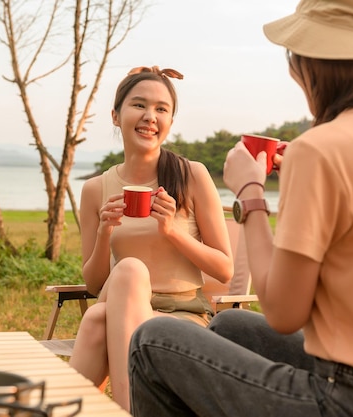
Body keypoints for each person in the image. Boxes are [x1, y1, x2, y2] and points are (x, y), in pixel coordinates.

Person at [128, 1, 353, 416]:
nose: (295, 71)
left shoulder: (323, 148)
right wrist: (306, 169)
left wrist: (251, 194)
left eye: (295, 57)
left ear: (317, 62)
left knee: (152, 341)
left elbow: (281, 311)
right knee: (231, 326)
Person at [68, 65, 234, 411]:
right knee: (128, 274)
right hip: (119, 307)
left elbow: (224, 269)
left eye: (162, 109)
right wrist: (104, 233)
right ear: (116, 116)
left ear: (171, 122)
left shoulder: (191, 175)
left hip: (182, 316)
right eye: (139, 105)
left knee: (100, 314)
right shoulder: (95, 189)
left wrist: (172, 231)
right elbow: (96, 283)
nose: (150, 117)